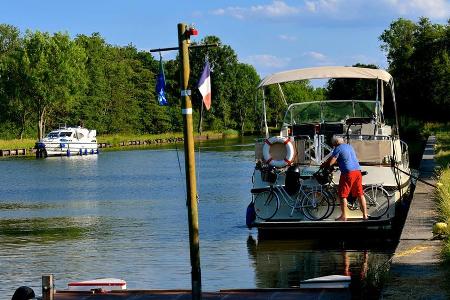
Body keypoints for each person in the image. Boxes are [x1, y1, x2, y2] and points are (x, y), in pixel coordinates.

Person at [321, 136, 368, 221]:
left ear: (335, 143)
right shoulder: (349, 146)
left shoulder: (338, 148)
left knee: (342, 195)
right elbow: (335, 157)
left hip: (348, 173)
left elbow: (331, 161)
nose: (332, 144)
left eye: (333, 143)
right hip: (357, 171)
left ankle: (344, 216)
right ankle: (365, 215)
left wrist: (325, 166)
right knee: (360, 194)